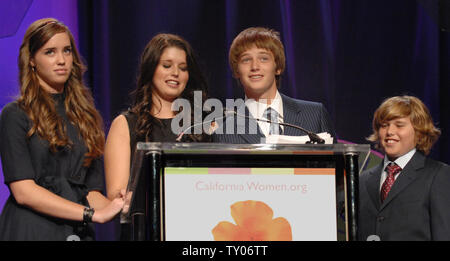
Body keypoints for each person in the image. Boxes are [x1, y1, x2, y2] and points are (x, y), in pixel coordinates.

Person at [0, 18, 124, 241]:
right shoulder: (15, 115)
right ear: (32, 61)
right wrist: (90, 214)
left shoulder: (86, 117)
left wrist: (119, 206)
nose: (61, 60)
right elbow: (24, 192)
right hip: (31, 230)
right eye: (50, 52)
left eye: (67, 51)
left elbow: (91, 193)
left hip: (76, 230)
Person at [104, 33, 210, 239]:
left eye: (183, 67)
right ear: (151, 68)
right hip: (144, 231)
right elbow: (117, 193)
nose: (176, 73)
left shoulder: (202, 125)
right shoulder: (126, 124)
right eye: (167, 65)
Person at [212, 27, 336, 144]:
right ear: (236, 71)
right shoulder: (223, 130)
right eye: (246, 60)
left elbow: (337, 164)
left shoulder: (315, 114)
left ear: (278, 67)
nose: (255, 67)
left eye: (264, 58)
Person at [358, 95, 450, 241]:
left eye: (399, 125)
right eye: (384, 125)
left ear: (418, 131)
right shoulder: (363, 180)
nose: (389, 132)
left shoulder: (438, 176)